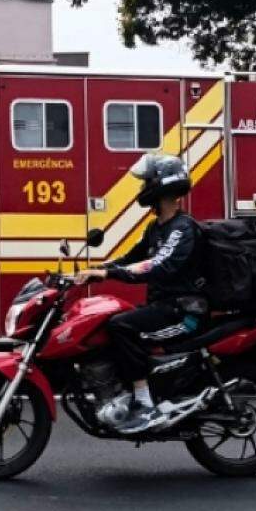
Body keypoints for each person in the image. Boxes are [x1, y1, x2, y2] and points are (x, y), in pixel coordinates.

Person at [73, 153, 205, 433]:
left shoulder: (182, 228)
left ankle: (145, 406)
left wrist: (108, 274)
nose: (143, 189)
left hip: (184, 312)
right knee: (109, 324)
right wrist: (94, 269)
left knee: (121, 326)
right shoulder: (155, 228)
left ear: (163, 187)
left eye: (147, 183)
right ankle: (126, 392)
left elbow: (159, 265)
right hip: (163, 307)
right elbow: (129, 258)